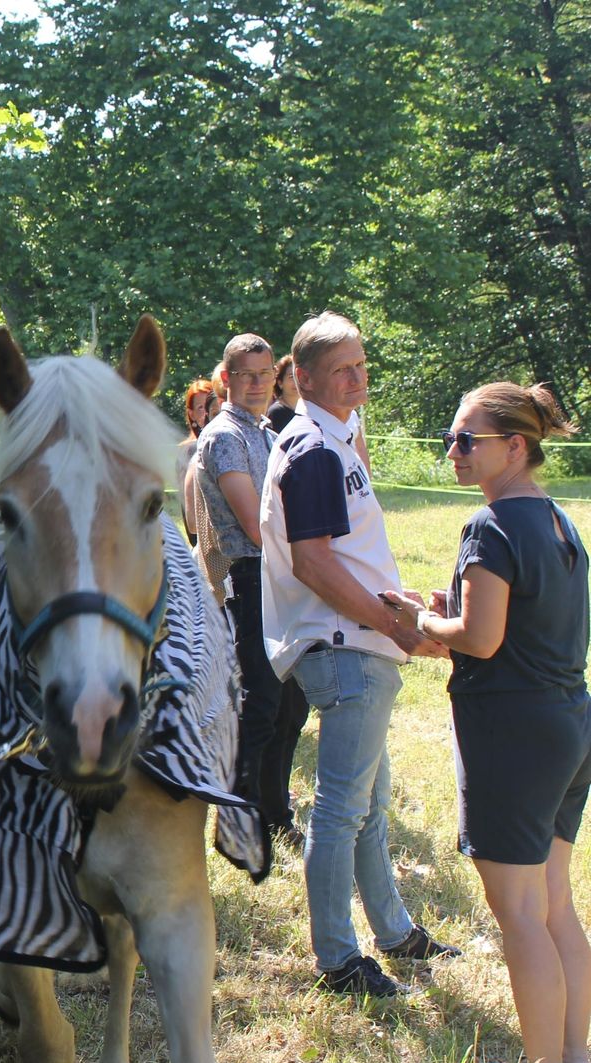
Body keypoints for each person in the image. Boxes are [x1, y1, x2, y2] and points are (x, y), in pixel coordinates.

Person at [381, 383, 591, 1063]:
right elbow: (521, 624)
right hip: (568, 724)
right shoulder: (559, 521)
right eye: (451, 436)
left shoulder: (490, 526)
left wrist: (419, 622)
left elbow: (480, 636)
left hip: (513, 736)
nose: (452, 450)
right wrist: (449, 611)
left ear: (515, 447)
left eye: (466, 438)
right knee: (554, 903)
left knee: (521, 916)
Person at [259, 311, 458, 999]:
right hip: (346, 649)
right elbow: (315, 566)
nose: (357, 376)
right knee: (343, 810)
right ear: (304, 377)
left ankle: (395, 932)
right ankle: (339, 961)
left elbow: (343, 557)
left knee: (369, 804)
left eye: (361, 362)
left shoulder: (333, 442)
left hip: (355, 642)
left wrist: (399, 604)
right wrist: (394, 622)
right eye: (341, 367)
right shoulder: (314, 449)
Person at [195, 333, 300, 847]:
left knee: (291, 703)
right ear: (227, 379)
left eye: (265, 374)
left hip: (286, 574)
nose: (258, 384)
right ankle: (236, 821)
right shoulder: (222, 437)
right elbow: (256, 525)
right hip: (255, 573)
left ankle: (276, 815)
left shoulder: (268, 431)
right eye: (247, 375)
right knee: (261, 703)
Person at [179, 376, 223, 549]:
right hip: (208, 547)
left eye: (210, 407)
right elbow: (191, 520)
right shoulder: (191, 451)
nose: (206, 413)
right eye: (200, 407)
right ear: (191, 414)